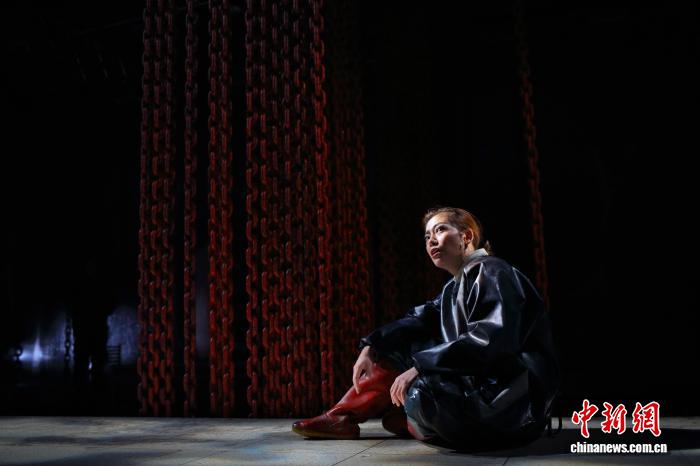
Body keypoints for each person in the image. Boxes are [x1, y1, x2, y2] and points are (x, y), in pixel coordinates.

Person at [292, 206, 560, 450]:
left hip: (512, 407)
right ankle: (344, 418)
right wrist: (371, 346)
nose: (431, 240)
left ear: (466, 236)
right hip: (482, 392)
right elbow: (416, 320)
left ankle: (414, 419)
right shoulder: (453, 287)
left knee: (421, 392)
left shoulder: (492, 271)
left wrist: (420, 367)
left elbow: (490, 340)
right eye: (427, 235)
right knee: (397, 350)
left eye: (440, 230)